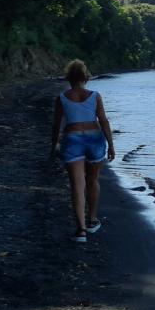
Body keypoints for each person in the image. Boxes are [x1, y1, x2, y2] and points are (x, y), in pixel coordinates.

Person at [49, 60, 116, 242]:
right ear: (85, 77)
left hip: (72, 140)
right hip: (94, 138)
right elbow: (103, 121)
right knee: (93, 180)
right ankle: (92, 219)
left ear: (69, 78)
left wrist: (54, 145)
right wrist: (111, 144)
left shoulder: (62, 98)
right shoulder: (95, 96)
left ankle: (81, 231)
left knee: (77, 186)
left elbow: (56, 126)